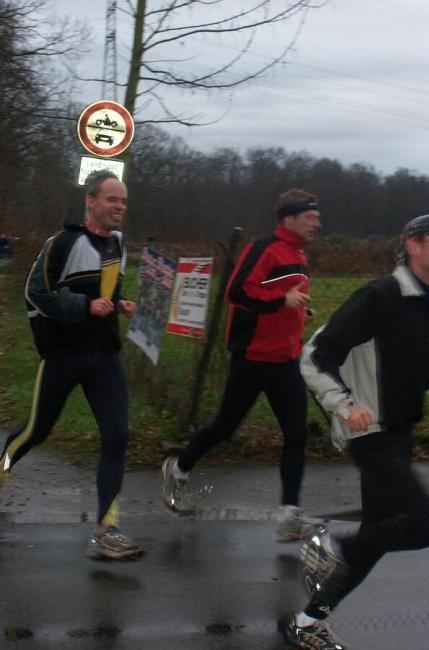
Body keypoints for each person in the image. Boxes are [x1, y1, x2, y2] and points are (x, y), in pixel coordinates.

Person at [280, 214, 429, 649]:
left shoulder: (427, 305)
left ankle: (309, 621)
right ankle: (330, 544)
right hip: (369, 433)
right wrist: (343, 405)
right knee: (422, 526)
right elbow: (313, 355)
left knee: (376, 540)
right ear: (414, 245)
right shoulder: (380, 296)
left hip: (398, 433)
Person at [161, 188, 322, 542]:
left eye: (317, 217)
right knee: (224, 427)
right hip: (252, 358)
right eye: (310, 217)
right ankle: (179, 467)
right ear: (288, 219)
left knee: (297, 433)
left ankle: (288, 516)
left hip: (284, 360)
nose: (316, 223)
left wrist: (298, 314)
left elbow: (284, 302)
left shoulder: (299, 256)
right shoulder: (262, 250)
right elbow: (237, 293)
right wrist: (283, 300)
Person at [0, 172, 144, 561]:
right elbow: (35, 293)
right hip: (64, 355)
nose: (119, 207)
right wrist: (83, 306)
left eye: (124, 201)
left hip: (104, 356)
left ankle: (106, 530)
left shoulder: (118, 245)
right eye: (112, 200)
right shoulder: (62, 243)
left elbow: (108, 291)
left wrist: (122, 302)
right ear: (91, 202)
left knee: (117, 436)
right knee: (33, 433)